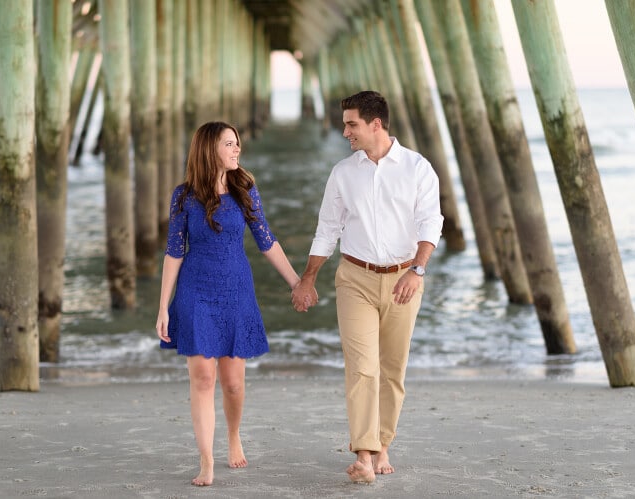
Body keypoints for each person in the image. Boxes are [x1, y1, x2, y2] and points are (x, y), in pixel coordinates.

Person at [290, 90, 442, 484]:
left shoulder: (417, 168)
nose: (345, 132)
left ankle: (382, 444)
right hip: (354, 277)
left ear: (376, 124)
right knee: (362, 368)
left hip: (403, 280)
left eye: (351, 124)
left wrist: (417, 271)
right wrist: (308, 278)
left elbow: (431, 223)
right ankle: (363, 453)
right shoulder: (344, 172)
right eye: (345, 124)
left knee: (392, 370)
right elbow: (328, 228)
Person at [155, 121, 302, 486]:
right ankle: (206, 460)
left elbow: (266, 241)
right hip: (195, 291)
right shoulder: (184, 196)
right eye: (230, 144)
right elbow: (174, 252)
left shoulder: (246, 191)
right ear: (210, 150)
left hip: (236, 289)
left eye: (237, 144)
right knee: (203, 377)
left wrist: (297, 282)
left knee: (233, 383)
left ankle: (233, 436)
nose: (237, 150)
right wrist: (163, 307)